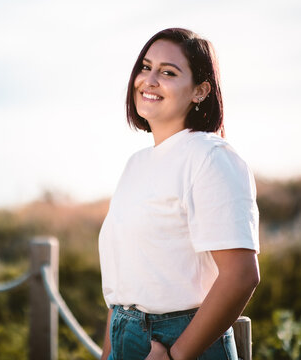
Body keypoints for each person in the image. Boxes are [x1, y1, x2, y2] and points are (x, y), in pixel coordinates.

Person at [98, 28, 260, 360]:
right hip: (125, 333)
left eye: (168, 72)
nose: (149, 79)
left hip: (180, 341)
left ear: (200, 91)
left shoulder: (210, 157)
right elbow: (127, 280)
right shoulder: (136, 164)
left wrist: (177, 356)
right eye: (146, 67)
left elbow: (241, 274)